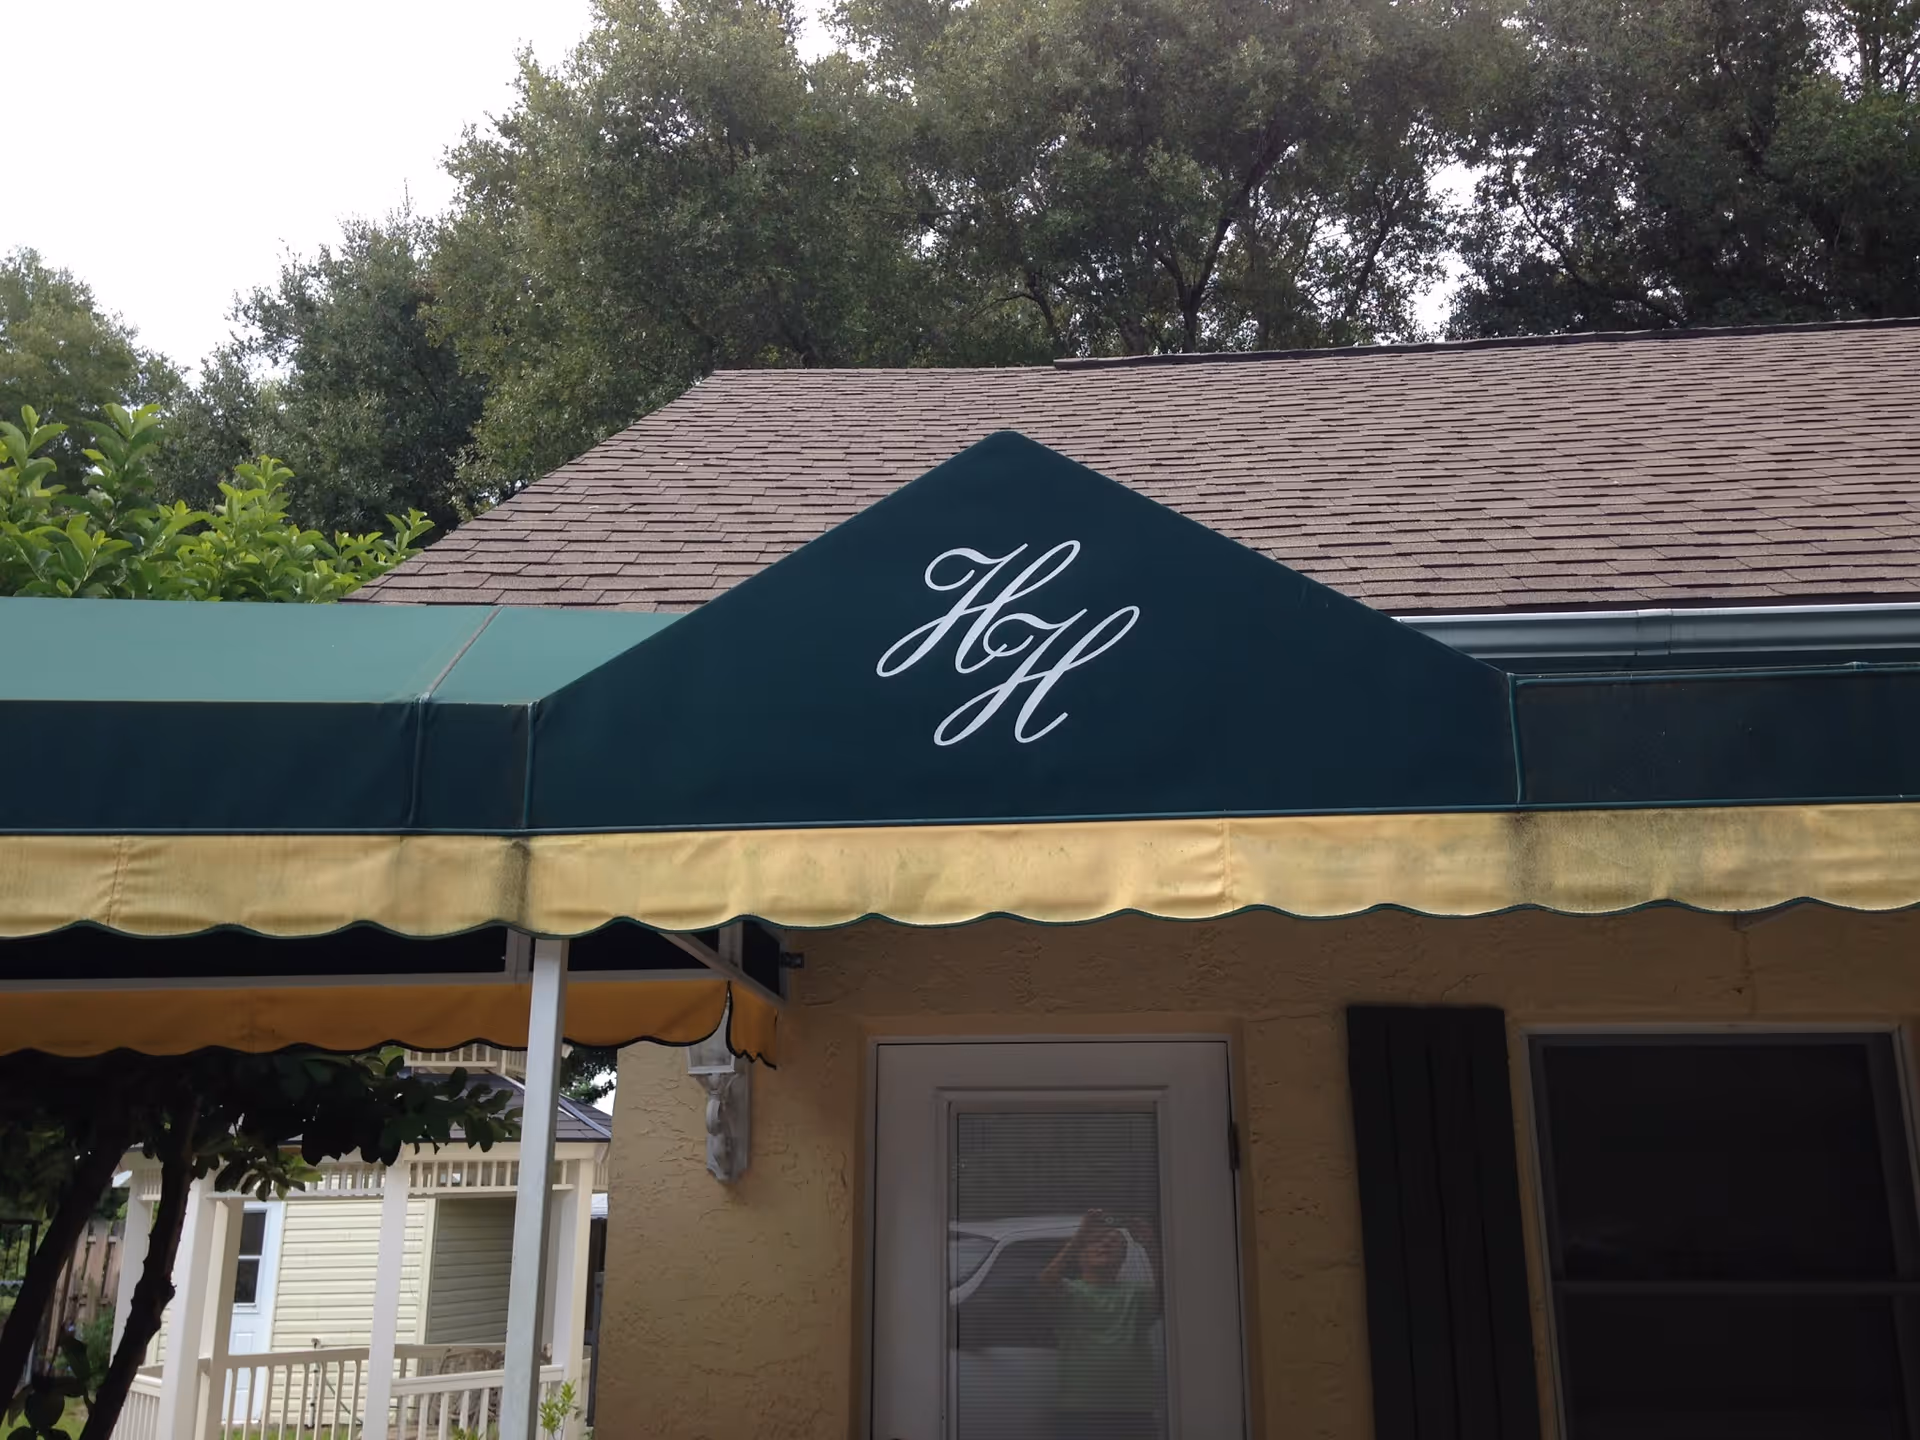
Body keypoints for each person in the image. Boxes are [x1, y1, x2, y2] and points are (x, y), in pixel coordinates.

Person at [1037, 1209, 1163, 1440]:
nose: (1104, 1245)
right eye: (1095, 1241)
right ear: (1080, 1255)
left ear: (1123, 1257)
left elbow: (1166, 1292)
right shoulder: (1071, 1293)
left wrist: (1150, 1246)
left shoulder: (1135, 1294)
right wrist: (1079, 1235)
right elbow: (1047, 1280)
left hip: (1133, 1412)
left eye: (1113, 1242)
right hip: (1080, 1412)